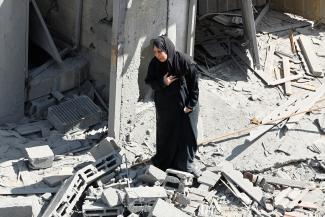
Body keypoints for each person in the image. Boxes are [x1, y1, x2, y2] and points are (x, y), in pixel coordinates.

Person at [145, 35, 201, 177]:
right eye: (155, 52)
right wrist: (163, 82)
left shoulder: (184, 61)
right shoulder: (154, 64)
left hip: (186, 107)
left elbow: (194, 87)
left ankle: (186, 164)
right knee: (166, 134)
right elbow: (149, 82)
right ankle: (163, 162)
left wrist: (191, 105)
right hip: (166, 107)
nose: (158, 55)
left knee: (188, 135)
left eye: (160, 51)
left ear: (167, 49)